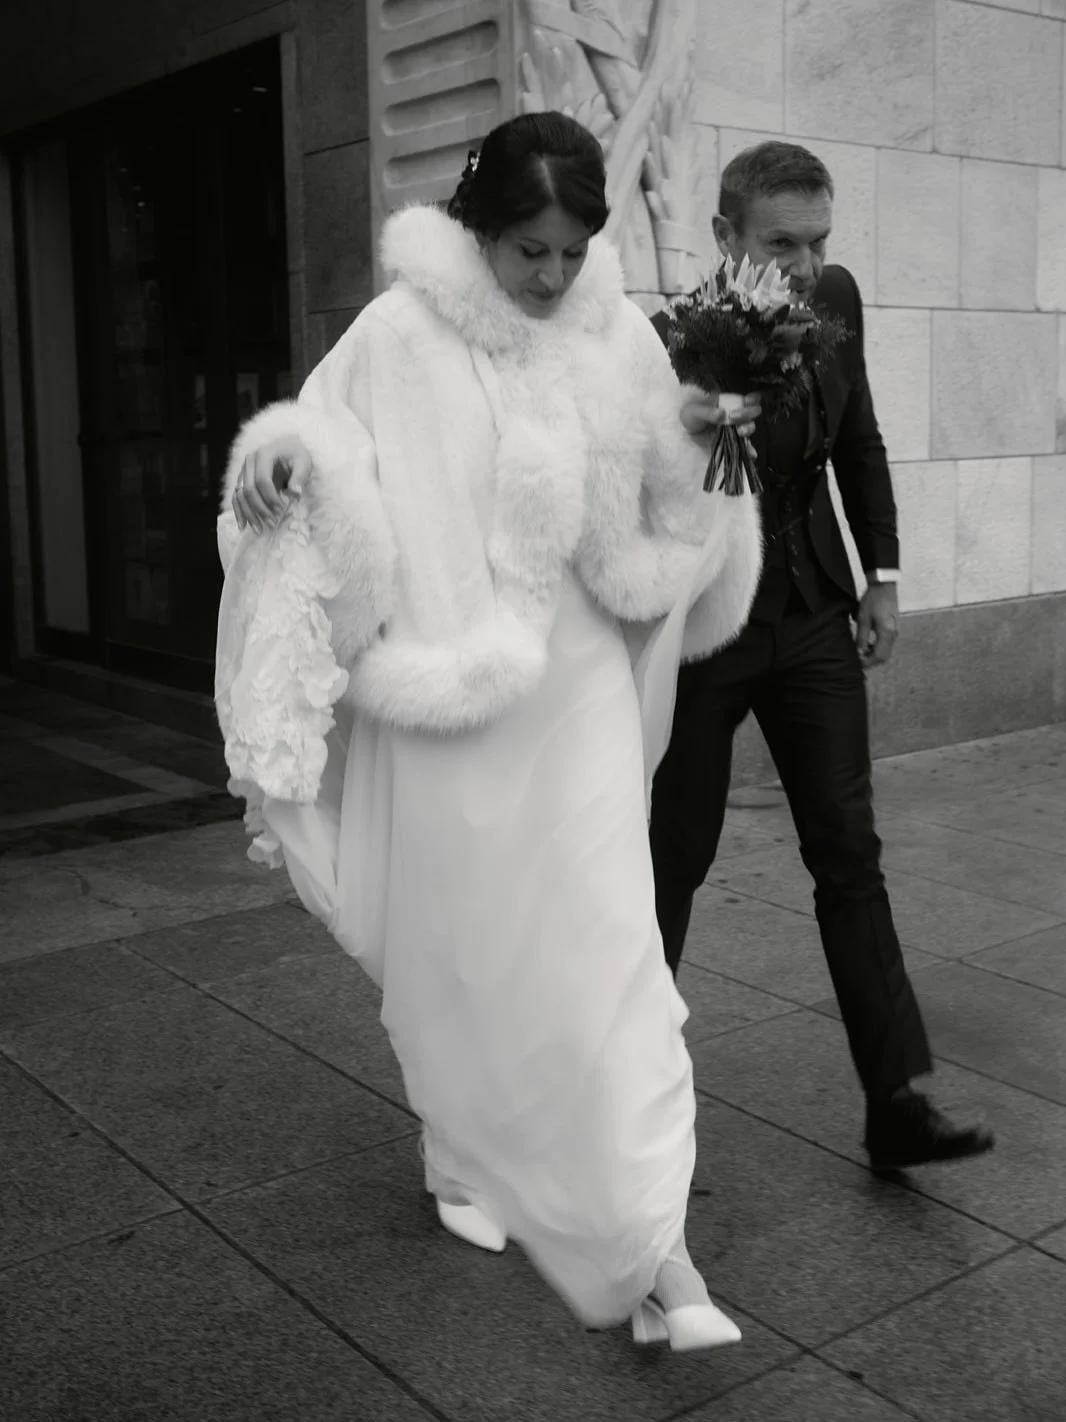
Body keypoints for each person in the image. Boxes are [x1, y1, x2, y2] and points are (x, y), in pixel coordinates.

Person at [215, 112, 764, 1350]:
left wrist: (702, 437)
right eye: (529, 251)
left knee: (613, 953)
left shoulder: (616, 330)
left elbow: (660, 498)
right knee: (463, 955)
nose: (552, 277)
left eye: (571, 252)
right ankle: (460, 1152)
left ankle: (655, 1254)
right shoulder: (396, 332)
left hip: (578, 688)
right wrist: (283, 463)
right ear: (478, 229)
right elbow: (328, 443)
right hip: (453, 695)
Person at [648, 140, 995, 1173]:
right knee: (672, 858)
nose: (804, 265)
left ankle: (895, 1104)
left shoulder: (834, 297)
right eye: (780, 244)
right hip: (706, 629)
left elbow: (859, 440)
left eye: (817, 241)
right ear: (725, 236)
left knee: (848, 852)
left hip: (810, 616)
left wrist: (880, 575)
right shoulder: (677, 338)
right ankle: (620, 1101)